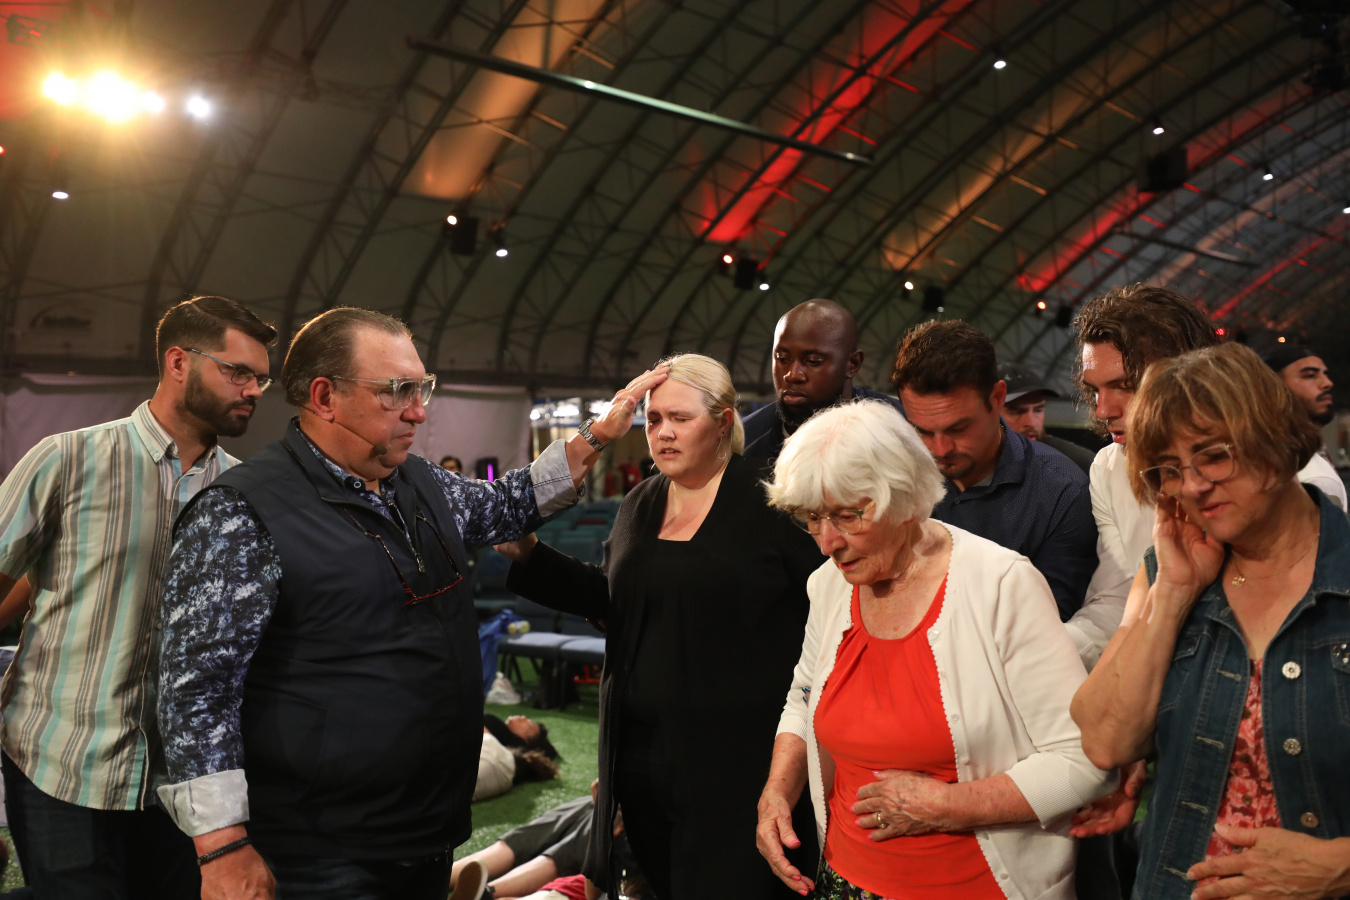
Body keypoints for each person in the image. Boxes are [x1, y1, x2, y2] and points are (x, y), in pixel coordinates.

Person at [155, 307, 664, 900]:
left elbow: (508, 505)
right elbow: (196, 694)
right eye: (397, 390)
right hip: (320, 848)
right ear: (324, 396)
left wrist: (598, 434)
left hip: (426, 830)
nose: (418, 409)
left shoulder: (416, 480)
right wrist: (223, 847)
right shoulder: (241, 513)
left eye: (422, 388)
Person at [756, 401, 1116, 900]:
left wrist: (947, 807)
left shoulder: (1001, 585)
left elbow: (1085, 761)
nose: (826, 542)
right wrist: (778, 790)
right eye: (813, 518)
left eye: (847, 516)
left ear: (903, 497)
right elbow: (804, 695)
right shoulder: (830, 585)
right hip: (843, 880)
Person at [498, 354, 822, 900]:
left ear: (723, 422)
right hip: (644, 756)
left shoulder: (773, 499)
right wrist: (529, 553)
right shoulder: (641, 502)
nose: (663, 432)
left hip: (739, 758)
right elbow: (614, 600)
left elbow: (825, 609)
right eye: (653, 420)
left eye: (680, 418)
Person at [0, 296, 275, 897]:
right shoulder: (68, 458)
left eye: (261, 377)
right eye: (238, 372)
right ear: (178, 362)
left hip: (182, 783)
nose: (254, 389)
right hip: (61, 763)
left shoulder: (244, 490)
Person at [1071, 342, 1350, 900]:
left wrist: (1340, 866)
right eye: (1169, 470)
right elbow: (1105, 741)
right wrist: (1173, 593)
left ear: (1275, 437)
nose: (1193, 485)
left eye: (1214, 456)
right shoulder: (1173, 572)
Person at [1070, 286, 1344, 674]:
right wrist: (1049, 652)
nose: (1102, 410)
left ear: (1188, 371)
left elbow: (1304, 630)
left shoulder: (1299, 478)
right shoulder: (1109, 467)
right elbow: (1119, 597)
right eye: (1094, 389)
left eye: (1125, 385)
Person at [891, 320, 1097, 621]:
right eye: (923, 431)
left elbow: (1046, 624)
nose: (941, 449)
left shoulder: (1061, 493)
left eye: (959, 428)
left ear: (997, 398)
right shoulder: (894, 476)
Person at [742, 299, 903, 462]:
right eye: (782, 358)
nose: (793, 375)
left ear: (852, 364)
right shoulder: (743, 443)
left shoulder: (902, 431)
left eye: (813, 361)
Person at [1261, 343, 1346, 503]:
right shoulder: (1308, 476)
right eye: (1310, 375)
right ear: (1274, 387)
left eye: (1325, 374)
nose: (1327, 383)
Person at [997, 359, 1098, 474]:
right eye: (1016, 412)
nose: (1031, 423)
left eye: (1038, 410)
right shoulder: (981, 465)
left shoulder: (1078, 464)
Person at [475, 714, 561, 802]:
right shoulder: (506, 769)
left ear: (526, 740)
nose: (523, 717)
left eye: (529, 725)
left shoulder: (501, 740)